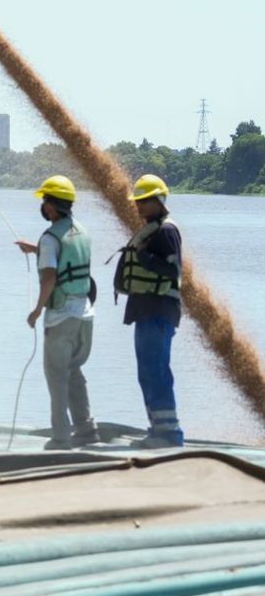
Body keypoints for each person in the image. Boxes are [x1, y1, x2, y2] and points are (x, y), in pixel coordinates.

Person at [16, 175, 99, 449]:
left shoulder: (50, 238)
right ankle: (86, 429)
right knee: (74, 371)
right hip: (85, 315)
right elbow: (68, 256)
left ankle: (61, 437)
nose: (43, 206)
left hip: (61, 316)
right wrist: (35, 248)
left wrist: (37, 310)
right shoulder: (83, 231)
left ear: (52, 205)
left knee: (56, 377)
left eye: (45, 201)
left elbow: (50, 276)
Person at [114, 174, 184, 448]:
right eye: (137, 201)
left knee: (156, 370)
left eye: (144, 201)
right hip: (145, 312)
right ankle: (157, 429)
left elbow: (171, 270)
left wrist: (143, 256)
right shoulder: (150, 229)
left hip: (159, 312)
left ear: (159, 200)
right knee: (147, 372)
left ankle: (170, 433)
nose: (139, 206)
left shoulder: (166, 231)